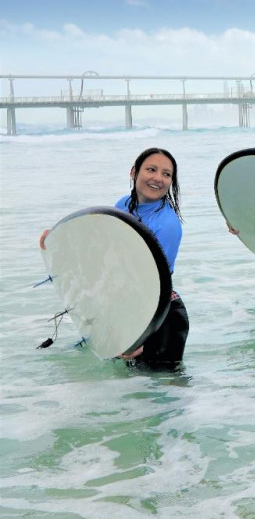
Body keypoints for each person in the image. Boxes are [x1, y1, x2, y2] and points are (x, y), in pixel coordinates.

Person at [41, 147, 188, 369]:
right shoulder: (124, 206)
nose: (158, 178)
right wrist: (56, 243)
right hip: (131, 306)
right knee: (132, 393)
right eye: (151, 169)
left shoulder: (167, 225)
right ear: (134, 172)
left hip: (159, 317)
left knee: (162, 392)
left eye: (167, 174)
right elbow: (104, 254)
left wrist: (136, 334)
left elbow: (150, 285)